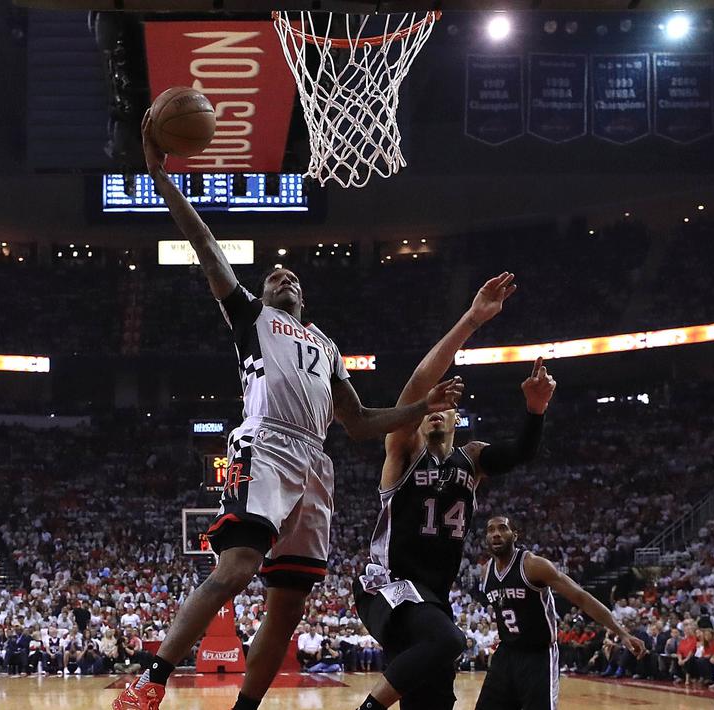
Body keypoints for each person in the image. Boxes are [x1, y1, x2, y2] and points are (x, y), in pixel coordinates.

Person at [113, 115, 465, 710]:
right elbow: (205, 245)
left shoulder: (327, 345)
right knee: (237, 566)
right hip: (267, 445)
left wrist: (420, 406)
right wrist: (160, 179)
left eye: (292, 276)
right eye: (275, 275)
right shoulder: (251, 315)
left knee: (289, 605)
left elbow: (358, 423)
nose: (284, 277)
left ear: (303, 296)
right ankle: (152, 679)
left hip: (316, 462)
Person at [353, 274, 552, 710]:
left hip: (432, 597)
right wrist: (471, 321)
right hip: (389, 586)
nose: (435, 411)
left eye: (444, 407)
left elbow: (521, 452)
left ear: (456, 417)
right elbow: (416, 384)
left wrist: (535, 411)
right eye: (430, 407)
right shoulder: (404, 449)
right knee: (450, 641)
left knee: (433, 698)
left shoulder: (472, 459)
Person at [475, 516, 647, 710]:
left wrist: (622, 633)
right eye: (491, 530)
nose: (496, 534)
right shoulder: (486, 571)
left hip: (538, 655)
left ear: (514, 535)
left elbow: (582, 597)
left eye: (502, 528)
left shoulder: (533, 565)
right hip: (506, 653)